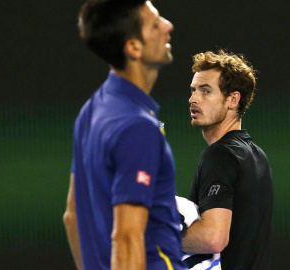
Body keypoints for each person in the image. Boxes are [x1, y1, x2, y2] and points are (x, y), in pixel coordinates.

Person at [62, 1, 186, 269]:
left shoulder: (91, 109)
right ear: (133, 47)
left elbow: (72, 217)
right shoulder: (138, 128)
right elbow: (127, 238)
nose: (168, 26)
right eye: (155, 23)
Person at [182, 50, 274, 270]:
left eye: (206, 91)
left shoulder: (219, 155)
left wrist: (150, 236)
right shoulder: (257, 155)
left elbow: (213, 238)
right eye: (194, 90)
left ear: (233, 99)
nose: (193, 98)